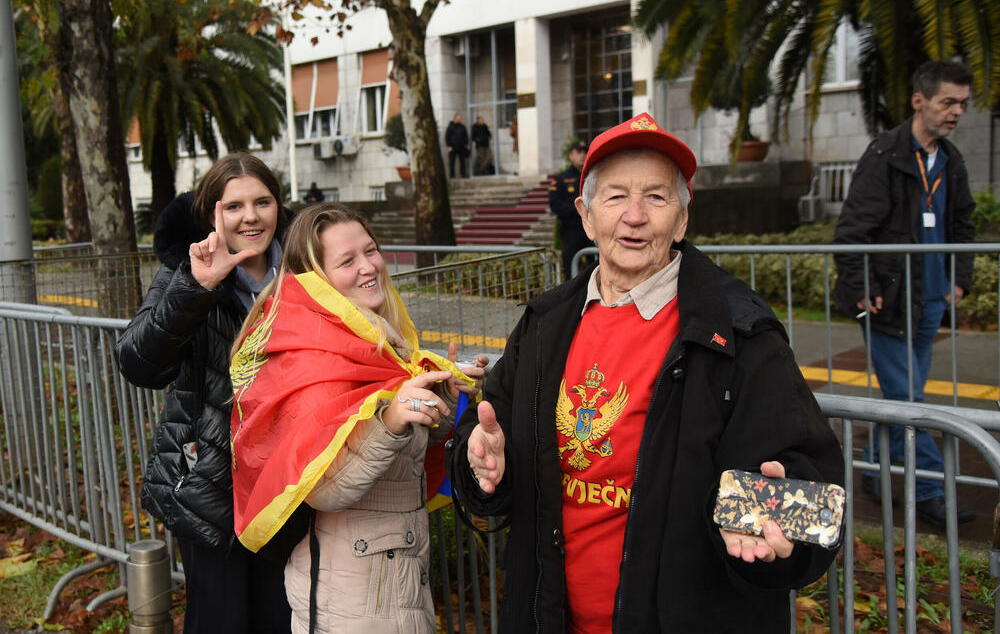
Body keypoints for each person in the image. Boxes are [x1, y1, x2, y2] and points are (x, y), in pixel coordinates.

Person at [446, 112, 844, 633]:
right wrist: (483, 462)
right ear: (586, 217)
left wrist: (772, 522)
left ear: (681, 220)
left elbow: (809, 489)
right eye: (616, 197)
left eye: (656, 197)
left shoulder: (738, 333)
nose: (634, 216)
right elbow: (482, 439)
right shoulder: (544, 324)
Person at [228, 203, 488, 634]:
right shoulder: (314, 358)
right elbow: (322, 487)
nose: (368, 267)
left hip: (389, 579)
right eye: (347, 261)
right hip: (355, 598)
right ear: (318, 281)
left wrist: (442, 398)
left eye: (370, 250)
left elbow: (402, 455)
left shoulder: (376, 340)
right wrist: (390, 421)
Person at [115, 153, 292, 633]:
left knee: (283, 616)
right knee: (220, 619)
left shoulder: (304, 270)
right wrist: (197, 287)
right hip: (210, 485)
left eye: (262, 202)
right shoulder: (187, 269)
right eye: (234, 206)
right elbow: (137, 362)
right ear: (213, 213)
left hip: (288, 481)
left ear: (278, 206)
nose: (251, 217)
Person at [833, 60, 977, 526]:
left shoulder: (950, 160)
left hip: (931, 299)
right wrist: (862, 286)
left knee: (901, 397)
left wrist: (959, 277)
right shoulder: (886, 154)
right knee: (910, 401)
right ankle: (931, 490)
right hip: (889, 301)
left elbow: (963, 222)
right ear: (919, 100)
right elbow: (852, 230)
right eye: (948, 102)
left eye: (962, 104)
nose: (956, 112)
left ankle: (877, 472)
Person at [548, 139, 594, 279]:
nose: (582, 155)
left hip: (591, 230)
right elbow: (555, 205)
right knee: (571, 274)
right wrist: (580, 210)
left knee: (596, 271)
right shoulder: (561, 179)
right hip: (571, 232)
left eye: (585, 152)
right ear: (571, 155)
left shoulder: (592, 177)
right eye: (578, 152)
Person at [445, 112, 470, 178]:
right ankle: (452, 175)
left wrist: (466, 143)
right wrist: (449, 146)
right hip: (453, 146)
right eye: (458, 118)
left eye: (460, 118)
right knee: (452, 161)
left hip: (461, 146)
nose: (459, 120)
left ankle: (463, 174)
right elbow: (447, 137)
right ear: (455, 118)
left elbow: (465, 136)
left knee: (462, 161)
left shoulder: (462, 127)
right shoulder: (450, 127)